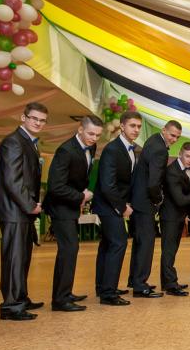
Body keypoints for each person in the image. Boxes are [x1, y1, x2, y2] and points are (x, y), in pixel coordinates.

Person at [0, 103, 48, 321]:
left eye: (42, 120)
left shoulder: (29, 143)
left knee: (23, 258)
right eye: (34, 118)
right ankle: (11, 306)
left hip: (22, 211)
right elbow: (12, 180)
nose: (38, 123)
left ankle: (21, 297)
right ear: (23, 118)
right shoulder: (13, 141)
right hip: (14, 211)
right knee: (14, 259)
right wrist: (30, 205)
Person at [43, 115, 102, 312]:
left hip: (71, 206)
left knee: (71, 249)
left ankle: (65, 292)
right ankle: (60, 300)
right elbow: (55, 186)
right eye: (91, 133)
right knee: (68, 249)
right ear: (80, 129)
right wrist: (81, 196)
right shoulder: (65, 150)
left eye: (98, 135)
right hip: (60, 207)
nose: (94, 138)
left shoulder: (91, 147)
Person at [92, 110, 142, 306]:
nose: (136, 130)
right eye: (132, 125)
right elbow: (107, 185)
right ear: (122, 126)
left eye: (138, 126)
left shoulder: (130, 150)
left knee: (107, 245)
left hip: (113, 204)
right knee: (119, 243)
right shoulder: (113, 149)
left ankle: (103, 286)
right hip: (108, 205)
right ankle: (108, 293)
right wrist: (122, 207)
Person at [129, 120, 182, 298]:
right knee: (146, 243)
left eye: (177, 137)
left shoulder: (152, 140)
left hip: (137, 199)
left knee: (139, 243)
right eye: (172, 135)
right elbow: (154, 182)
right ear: (164, 130)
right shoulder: (160, 149)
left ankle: (135, 280)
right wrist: (158, 200)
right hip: (145, 202)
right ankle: (140, 285)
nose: (174, 139)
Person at [159, 142, 190, 296]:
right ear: (180, 154)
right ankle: (170, 284)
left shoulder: (188, 170)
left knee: (171, 250)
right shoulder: (172, 171)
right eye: (187, 156)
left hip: (178, 216)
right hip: (170, 217)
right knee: (168, 251)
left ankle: (168, 281)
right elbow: (180, 200)